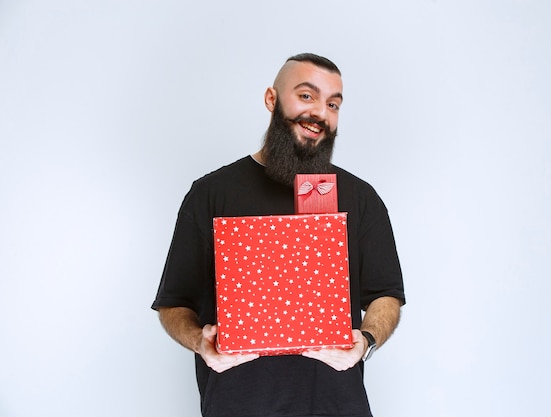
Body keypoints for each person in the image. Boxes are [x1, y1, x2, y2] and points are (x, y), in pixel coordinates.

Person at [152, 53, 406, 417]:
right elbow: (174, 302)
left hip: (336, 406)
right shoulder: (210, 194)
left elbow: (386, 294)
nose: (320, 113)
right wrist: (200, 341)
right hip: (237, 405)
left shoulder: (361, 197)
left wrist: (365, 340)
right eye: (306, 96)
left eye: (333, 103)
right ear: (271, 99)